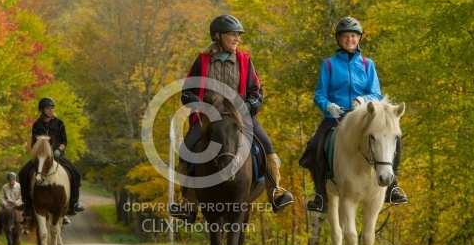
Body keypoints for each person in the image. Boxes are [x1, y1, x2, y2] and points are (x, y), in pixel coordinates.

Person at [169, 14, 294, 221]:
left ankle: (276, 192)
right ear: (217, 36)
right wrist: (200, 104)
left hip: (241, 115)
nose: (237, 39)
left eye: (238, 35)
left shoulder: (245, 61)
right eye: (232, 35)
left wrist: (249, 106)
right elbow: (186, 92)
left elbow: (257, 92)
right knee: (186, 149)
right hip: (209, 116)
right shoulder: (202, 61)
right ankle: (188, 202)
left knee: (267, 146)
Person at [305, 16, 407, 213]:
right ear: (339, 39)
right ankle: (320, 194)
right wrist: (328, 106)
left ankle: (392, 186)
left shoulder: (368, 64)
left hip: (364, 118)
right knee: (316, 144)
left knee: (395, 139)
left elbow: (376, 93)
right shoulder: (328, 64)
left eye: (353, 36)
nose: (349, 39)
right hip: (336, 117)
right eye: (345, 36)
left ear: (359, 38)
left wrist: (364, 100)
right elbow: (319, 95)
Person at [18, 97, 85, 225]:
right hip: (41, 157)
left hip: (57, 154)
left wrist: (58, 150)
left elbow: (64, 141)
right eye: (48, 108)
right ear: (42, 110)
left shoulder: (59, 123)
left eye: (52, 108)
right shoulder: (36, 125)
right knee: (23, 173)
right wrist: (38, 154)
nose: (50, 110)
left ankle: (74, 203)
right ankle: (26, 205)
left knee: (76, 173)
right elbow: (34, 143)